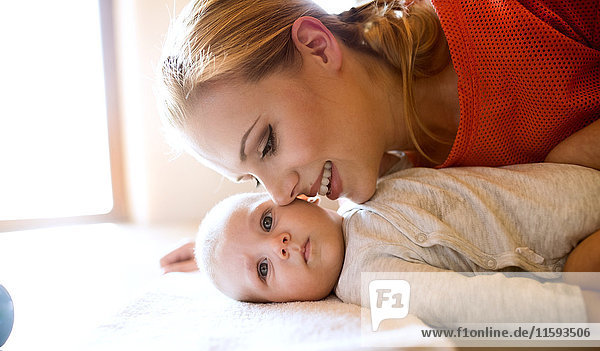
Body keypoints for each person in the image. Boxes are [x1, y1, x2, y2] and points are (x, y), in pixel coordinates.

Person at [157, 0, 600, 270]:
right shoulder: (408, 193)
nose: (282, 194)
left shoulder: (509, 17)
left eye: (267, 143)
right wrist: (239, 256)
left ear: (317, 45)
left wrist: (577, 156)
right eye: (253, 180)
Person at [192, 163, 600, 325]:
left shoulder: (361, 187)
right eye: (263, 269)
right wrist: (577, 312)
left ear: (298, 195)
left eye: (266, 221)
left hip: (571, 181)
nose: (278, 246)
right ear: (284, 304)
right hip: (568, 248)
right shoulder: (366, 280)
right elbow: (464, 301)